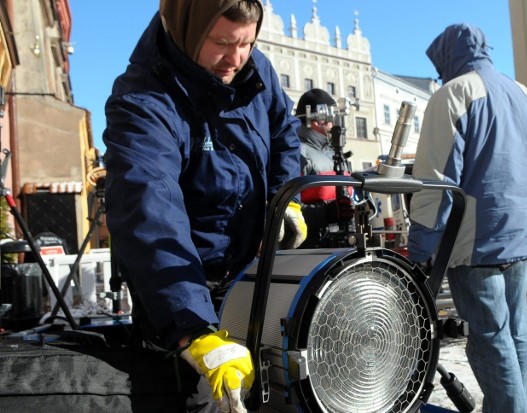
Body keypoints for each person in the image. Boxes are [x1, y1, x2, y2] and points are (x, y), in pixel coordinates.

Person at [103, 1, 306, 412]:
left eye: (247, 42)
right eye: (222, 43)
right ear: (188, 28)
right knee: (203, 400)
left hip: (252, 279)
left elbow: (284, 132)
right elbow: (149, 208)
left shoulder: (255, 68)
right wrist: (194, 330)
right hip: (183, 288)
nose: (235, 58)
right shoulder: (143, 101)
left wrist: (285, 199)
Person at [408, 23, 527, 413]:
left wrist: (420, 248)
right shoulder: (524, 95)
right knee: (517, 332)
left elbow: (435, 183)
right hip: (522, 234)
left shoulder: (453, 95)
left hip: (477, 240)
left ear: (446, 57)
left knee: (490, 337)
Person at [294, 88, 353, 248]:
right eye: (331, 118)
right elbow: (287, 209)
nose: (335, 123)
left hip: (339, 243)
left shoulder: (335, 153)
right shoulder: (298, 153)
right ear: (318, 121)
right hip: (312, 248)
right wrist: (327, 213)